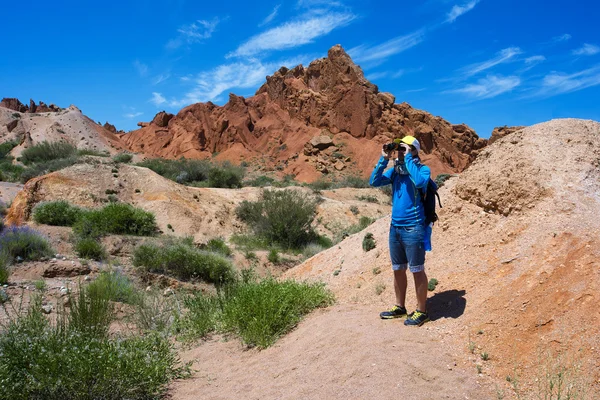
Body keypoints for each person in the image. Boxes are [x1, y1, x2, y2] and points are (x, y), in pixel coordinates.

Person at [369, 135, 431, 326]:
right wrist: (384, 158)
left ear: (414, 150)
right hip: (395, 228)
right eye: (400, 149)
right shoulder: (395, 172)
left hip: (414, 227)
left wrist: (409, 158)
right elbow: (374, 181)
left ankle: (422, 311)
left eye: (405, 148)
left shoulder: (422, 169)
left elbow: (420, 183)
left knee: (417, 270)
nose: (400, 152)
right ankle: (400, 307)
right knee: (398, 269)